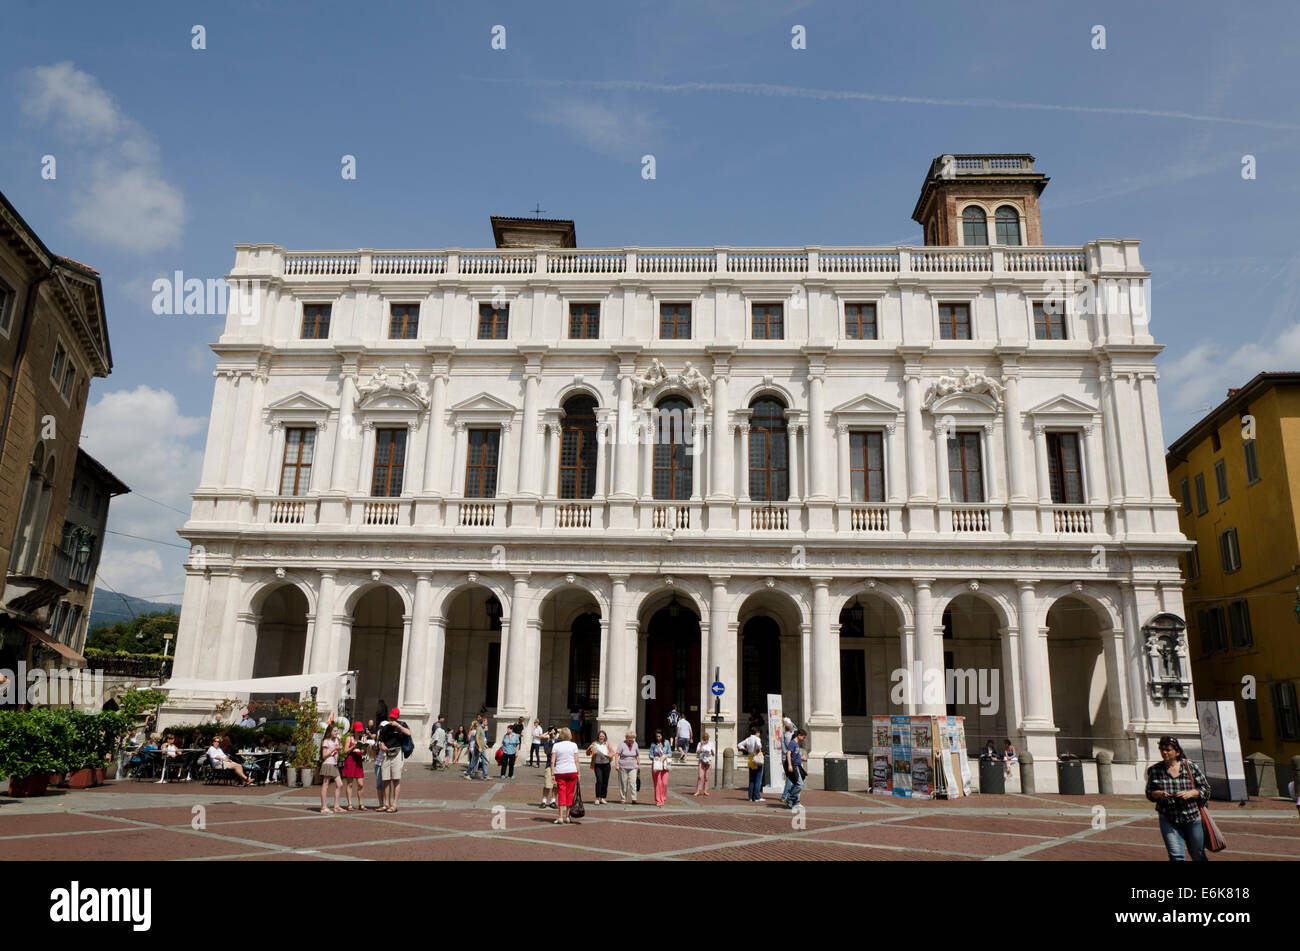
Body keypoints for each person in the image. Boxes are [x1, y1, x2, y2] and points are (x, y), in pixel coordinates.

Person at [1146, 736, 1211, 861]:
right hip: (1169, 818)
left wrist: (1191, 793)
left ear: (1177, 752)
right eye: (1162, 749)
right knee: (1176, 856)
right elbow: (1149, 793)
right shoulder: (1155, 770)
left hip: (1192, 818)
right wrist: (1158, 794)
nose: (1164, 752)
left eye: (1168, 750)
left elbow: (1206, 789)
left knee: (1198, 854)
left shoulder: (1190, 766)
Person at [378, 707, 411, 813]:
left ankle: (394, 804)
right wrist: (381, 745)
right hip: (386, 753)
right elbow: (380, 740)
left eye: (394, 718)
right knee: (386, 779)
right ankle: (386, 803)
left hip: (397, 752)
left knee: (396, 779)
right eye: (391, 718)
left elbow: (409, 733)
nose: (392, 720)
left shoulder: (402, 725)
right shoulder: (386, 727)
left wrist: (399, 726)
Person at [550, 727, 581, 824]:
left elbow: (552, 761)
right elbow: (576, 760)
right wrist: (579, 773)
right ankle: (567, 817)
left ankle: (560, 817)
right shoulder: (574, 745)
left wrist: (552, 773)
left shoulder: (556, 745)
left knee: (561, 793)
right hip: (572, 770)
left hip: (560, 771)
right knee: (570, 793)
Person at [341, 721, 366, 810]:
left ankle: (361, 803)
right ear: (354, 730)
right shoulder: (349, 738)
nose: (359, 732)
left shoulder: (362, 738)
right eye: (358, 730)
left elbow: (364, 752)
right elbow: (345, 751)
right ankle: (350, 804)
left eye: (360, 730)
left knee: (360, 784)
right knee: (350, 783)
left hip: (358, 761)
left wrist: (364, 750)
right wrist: (353, 747)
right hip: (351, 760)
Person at [319, 723, 343, 813]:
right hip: (328, 764)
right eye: (335, 731)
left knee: (340, 784)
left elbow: (340, 752)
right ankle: (323, 807)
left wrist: (340, 744)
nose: (336, 732)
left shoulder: (336, 740)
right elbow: (324, 755)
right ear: (330, 731)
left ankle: (336, 806)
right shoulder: (326, 741)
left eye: (337, 731)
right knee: (325, 785)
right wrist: (333, 749)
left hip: (334, 764)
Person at [738, 725, 764, 802]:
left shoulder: (748, 739)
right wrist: (758, 749)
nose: (759, 734)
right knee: (758, 779)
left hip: (750, 758)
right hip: (757, 758)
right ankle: (757, 796)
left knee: (752, 779)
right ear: (756, 732)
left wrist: (745, 749)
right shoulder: (757, 739)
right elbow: (759, 745)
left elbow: (739, 745)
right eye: (759, 732)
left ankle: (750, 796)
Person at [782, 728, 807, 809]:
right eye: (803, 737)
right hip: (794, 766)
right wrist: (789, 765)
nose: (804, 739)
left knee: (798, 783)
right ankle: (789, 798)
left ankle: (794, 801)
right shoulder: (793, 743)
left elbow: (795, 754)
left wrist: (801, 758)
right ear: (799, 735)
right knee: (799, 784)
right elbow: (788, 754)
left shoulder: (797, 744)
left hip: (797, 765)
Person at [587, 730, 613, 804]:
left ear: (605, 737)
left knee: (605, 781)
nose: (601, 737)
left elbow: (612, 752)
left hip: (606, 764)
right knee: (599, 781)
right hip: (597, 764)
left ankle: (603, 797)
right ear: (598, 736)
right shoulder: (594, 743)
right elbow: (588, 753)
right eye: (600, 736)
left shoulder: (607, 744)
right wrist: (589, 748)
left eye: (603, 736)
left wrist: (608, 755)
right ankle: (597, 798)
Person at [649, 729, 671, 806]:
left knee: (664, 783)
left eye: (659, 736)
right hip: (656, 765)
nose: (658, 738)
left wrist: (665, 756)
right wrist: (654, 757)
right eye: (657, 736)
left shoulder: (666, 742)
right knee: (658, 783)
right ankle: (658, 800)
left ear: (662, 736)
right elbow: (650, 755)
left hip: (664, 765)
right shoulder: (653, 744)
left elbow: (670, 753)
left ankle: (663, 798)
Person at [616, 732, 639, 804]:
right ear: (626, 738)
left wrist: (639, 764)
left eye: (632, 738)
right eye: (629, 738)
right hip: (623, 766)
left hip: (633, 766)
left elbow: (637, 755)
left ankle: (634, 798)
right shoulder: (622, 744)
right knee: (623, 783)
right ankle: (623, 798)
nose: (630, 740)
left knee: (633, 783)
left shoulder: (635, 744)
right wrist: (616, 764)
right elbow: (617, 755)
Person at [539, 727, 558, 808]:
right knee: (547, 784)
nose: (553, 735)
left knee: (556, 785)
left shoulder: (559, 742)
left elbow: (564, 731)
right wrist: (550, 743)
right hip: (549, 765)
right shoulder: (547, 742)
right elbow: (547, 752)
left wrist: (556, 730)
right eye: (551, 733)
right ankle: (544, 801)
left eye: (554, 733)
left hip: (558, 766)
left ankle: (553, 801)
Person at [693, 729, 714, 797]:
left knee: (706, 777)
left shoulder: (711, 743)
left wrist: (711, 751)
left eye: (706, 739)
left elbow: (713, 754)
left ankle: (705, 790)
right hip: (701, 761)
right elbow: (698, 752)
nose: (706, 741)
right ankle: (698, 791)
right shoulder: (700, 743)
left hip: (708, 761)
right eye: (704, 739)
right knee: (700, 776)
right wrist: (702, 746)